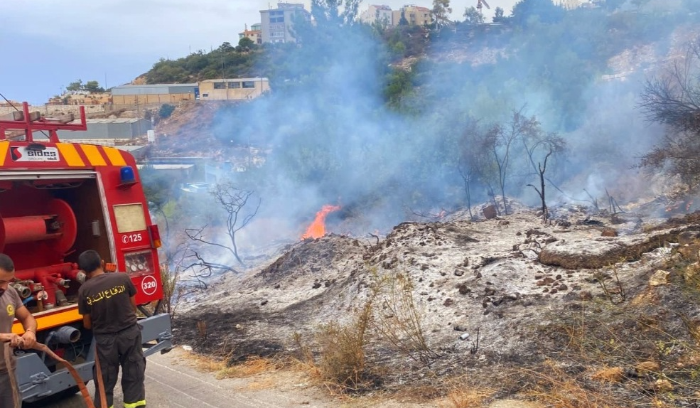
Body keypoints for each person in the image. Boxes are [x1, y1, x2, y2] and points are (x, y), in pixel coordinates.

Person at [77, 250, 146, 408]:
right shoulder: (122, 277)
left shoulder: (84, 291)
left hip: (105, 340)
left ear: (83, 272)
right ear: (102, 262)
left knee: (105, 379)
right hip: (130, 333)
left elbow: (87, 324)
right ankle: (134, 405)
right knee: (134, 370)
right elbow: (133, 307)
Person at [0, 253, 37, 408]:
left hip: (6, 372)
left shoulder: (10, 293)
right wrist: (2, 336)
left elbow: (27, 317)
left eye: (8, 281)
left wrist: (30, 331)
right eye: (1, 281)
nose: (4, 287)